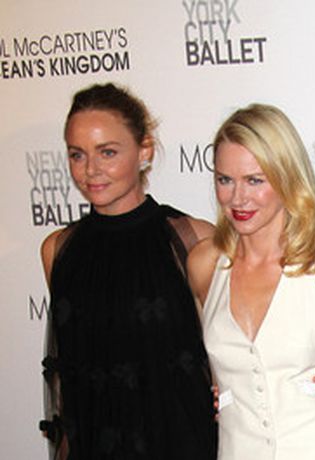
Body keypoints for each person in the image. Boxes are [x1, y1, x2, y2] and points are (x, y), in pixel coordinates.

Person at [39, 83, 217, 460]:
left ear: (144, 150)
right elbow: (70, 378)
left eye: (107, 152)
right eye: (77, 154)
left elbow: (237, 352)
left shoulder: (192, 240)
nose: (90, 170)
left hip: (181, 445)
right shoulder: (58, 250)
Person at [187, 103, 315, 459]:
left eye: (255, 180)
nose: (238, 198)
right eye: (225, 180)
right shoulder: (204, 264)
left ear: (286, 177)